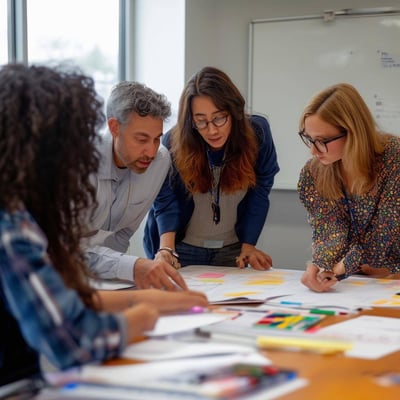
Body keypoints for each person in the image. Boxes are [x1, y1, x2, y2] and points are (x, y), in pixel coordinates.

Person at [0, 63, 208, 387]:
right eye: (71, 141)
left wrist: (145, 299)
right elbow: (74, 343)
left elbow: (56, 301)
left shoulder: (16, 212)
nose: (80, 153)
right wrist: (140, 316)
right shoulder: (12, 229)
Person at [144, 66, 279, 270]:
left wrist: (249, 245)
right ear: (191, 121)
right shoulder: (173, 141)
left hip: (232, 248)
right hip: (181, 248)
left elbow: (260, 191)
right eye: (201, 121)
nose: (212, 130)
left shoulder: (257, 134)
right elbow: (165, 198)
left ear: (233, 112)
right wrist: (167, 250)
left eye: (219, 118)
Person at [81, 81, 188, 291]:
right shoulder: (80, 166)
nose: (150, 151)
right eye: (141, 139)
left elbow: (122, 234)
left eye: (157, 139)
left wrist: (116, 281)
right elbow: (64, 250)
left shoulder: (160, 161)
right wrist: (131, 266)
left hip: (106, 282)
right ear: (114, 127)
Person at [297, 82, 400, 293]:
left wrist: (342, 267)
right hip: (357, 284)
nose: (314, 151)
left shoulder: (394, 159)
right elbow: (330, 229)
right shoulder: (315, 172)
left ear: (353, 132)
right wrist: (319, 264)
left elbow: (384, 234)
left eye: (323, 140)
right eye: (309, 139)